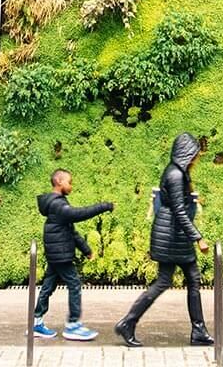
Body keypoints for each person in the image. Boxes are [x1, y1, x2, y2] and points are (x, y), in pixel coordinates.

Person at [114, 132, 212, 348]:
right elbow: (178, 210)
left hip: (175, 235)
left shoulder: (178, 173)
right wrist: (198, 238)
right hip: (171, 235)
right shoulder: (175, 175)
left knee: (191, 280)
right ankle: (128, 322)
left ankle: (199, 330)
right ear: (186, 154)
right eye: (194, 154)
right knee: (164, 282)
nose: (197, 158)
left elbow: (180, 205)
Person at [32, 168, 113, 341]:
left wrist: (87, 251)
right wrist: (104, 206)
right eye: (70, 182)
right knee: (74, 284)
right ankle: (73, 325)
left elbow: (72, 232)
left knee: (48, 286)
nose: (71, 185)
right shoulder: (58, 205)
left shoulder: (58, 203)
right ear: (59, 182)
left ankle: (36, 323)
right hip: (60, 254)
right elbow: (79, 214)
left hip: (56, 253)